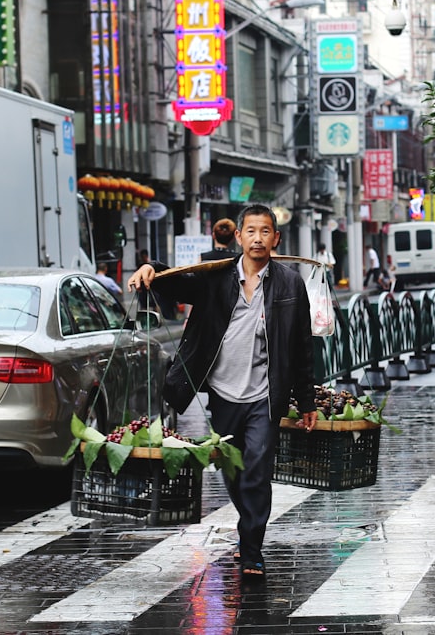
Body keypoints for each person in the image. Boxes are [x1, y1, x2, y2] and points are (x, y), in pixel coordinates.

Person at [126, 204, 316, 579]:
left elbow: (301, 345)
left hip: (265, 394)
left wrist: (305, 400)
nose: (258, 238)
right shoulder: (218, 277)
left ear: (275, 239)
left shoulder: (290, 282)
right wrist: (153, 270)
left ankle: (251, 551)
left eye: (265, 231)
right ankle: (249, 526)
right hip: (224, 392)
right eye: (251, 231)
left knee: (257, 471)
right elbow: (179, 282)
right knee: (232, 468)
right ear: (240, 237)